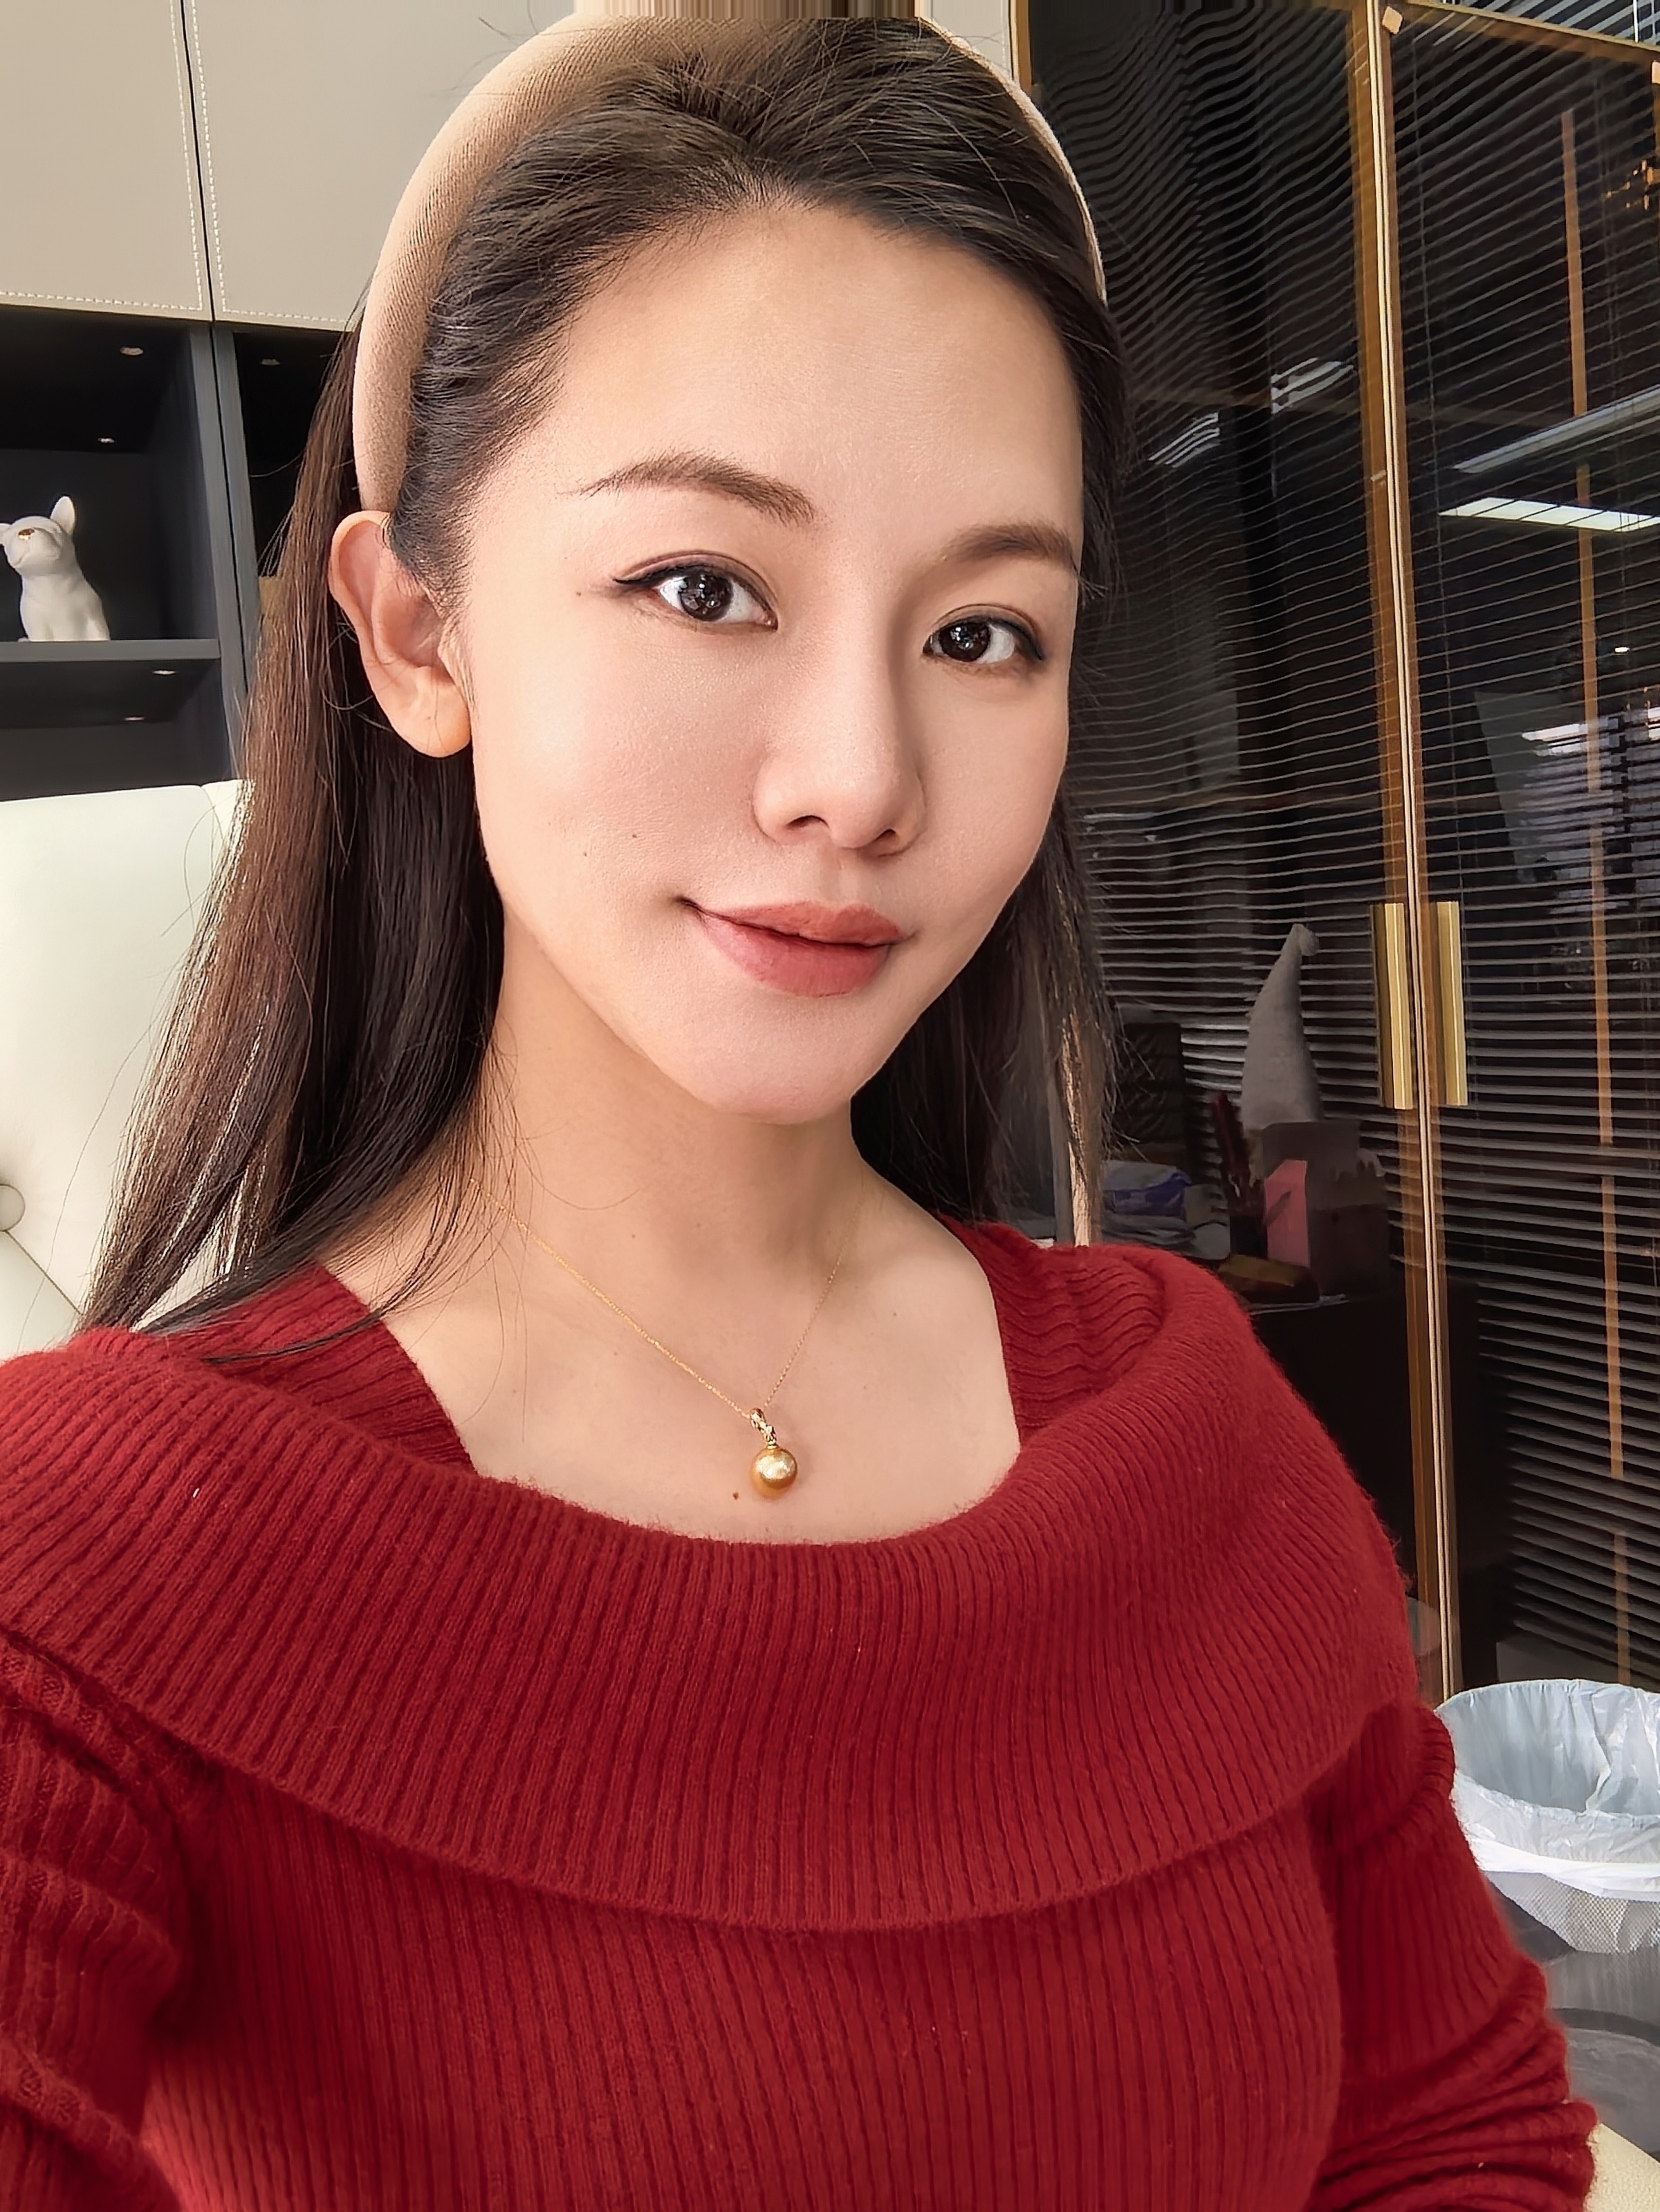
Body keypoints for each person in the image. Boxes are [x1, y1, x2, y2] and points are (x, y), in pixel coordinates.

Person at [0, 5, 1597, 2206]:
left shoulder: (1193, 1422)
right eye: (705, 586)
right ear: (416, 638)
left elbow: (1455, 2126)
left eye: (985, 634)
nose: (861, 779)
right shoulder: (78, 1570)